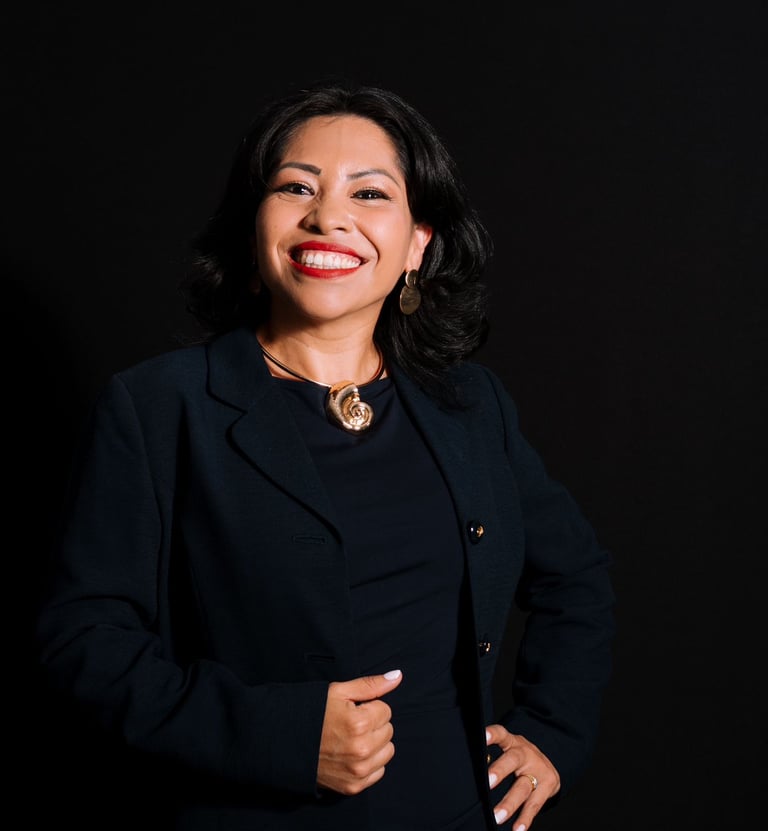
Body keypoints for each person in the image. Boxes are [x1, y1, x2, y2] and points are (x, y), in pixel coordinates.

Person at [36, 80, 615, 831]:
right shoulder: (157, 407)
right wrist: (279, 735)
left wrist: (553, 732)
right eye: (295, 187)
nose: (329, 216)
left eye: (369, 193)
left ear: (418, 243)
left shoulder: (470, 405)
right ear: (254, 227)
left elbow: (576, 578)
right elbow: (82, 643)